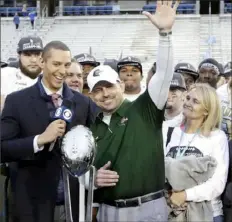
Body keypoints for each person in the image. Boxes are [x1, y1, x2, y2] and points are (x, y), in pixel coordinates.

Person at [88, 1, 180, 221]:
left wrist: (165, 33)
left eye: (109, 86)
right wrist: (93, 179)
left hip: (148, 209)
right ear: (91, 95)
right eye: (97, 90)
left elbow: (164, 74)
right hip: (107, 211)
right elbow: (82, 171)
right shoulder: (92, 127)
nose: (105, 94)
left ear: (120, 84)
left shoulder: (145, 108)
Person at [1, 41, 97, 222]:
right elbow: (2, 148)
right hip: (32, 205)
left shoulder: (83, 103)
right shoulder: (16, 101)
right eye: (56, 64)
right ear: (42, 63)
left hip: (73, 205)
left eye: (66, 65)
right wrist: (39, 140)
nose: (62, 71)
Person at [165, 83, 229, 222]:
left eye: (195, 101)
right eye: (188, 98)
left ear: (207, 110)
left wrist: (185, 195)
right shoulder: (172, 131)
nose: (188, 103)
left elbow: (218, 183)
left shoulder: (217, 137)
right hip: (173, 212)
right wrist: (170, 195)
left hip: (208, 213)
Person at [1, 36, 43, 110]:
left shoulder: (52, 77)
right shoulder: (5, 75)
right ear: (19, 56)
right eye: (27, 55)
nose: (33, 60)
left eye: (37, 54)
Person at [163, 72, 187, 146]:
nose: (168, 94)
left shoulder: (189, 120)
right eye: (165, 89)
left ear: (184, 95)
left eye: (173, 90)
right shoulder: (152, 117)